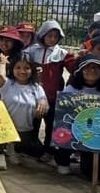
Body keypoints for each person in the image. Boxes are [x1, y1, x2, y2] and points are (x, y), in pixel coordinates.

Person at [25, 20, 74, 163]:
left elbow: (74, 68)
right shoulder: (32, 51)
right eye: (49, 35)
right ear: (42, 35)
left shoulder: (62, 53)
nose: (52, 39)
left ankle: (49, 150)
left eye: (55, 36)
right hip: (34, 95)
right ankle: (32, 148)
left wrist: (79, 58)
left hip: (53, 96)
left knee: (51, 125)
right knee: (33, 123)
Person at [0, 52, 48, 171]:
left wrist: (43, 103)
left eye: (26, 68)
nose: (22, 71)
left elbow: (43, 100)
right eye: (18, 67)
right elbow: (0, 77)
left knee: (36, 151)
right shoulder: (8, 84)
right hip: (4, 126)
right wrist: (2, 63)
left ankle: (13, 148)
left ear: (32, 70)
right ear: (12, 68)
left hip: (25, 127)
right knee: (1, 131)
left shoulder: (36, 87)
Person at [63, 54, 100, 181]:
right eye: (87, 68)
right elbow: (62, 110)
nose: (91, 71)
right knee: (61, 134)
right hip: (75, 128)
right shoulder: (71, 88)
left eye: (96, 68)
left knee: (95, 173)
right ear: (81, 71)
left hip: (97, 134)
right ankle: (63, 161)